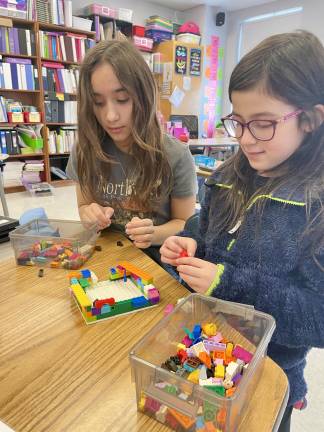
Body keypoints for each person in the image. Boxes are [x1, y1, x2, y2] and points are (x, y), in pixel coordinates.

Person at [160, 30, 324, 431]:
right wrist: (190, 243)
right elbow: (210, 233)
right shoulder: (226, 176)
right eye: (238, 122)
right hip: (202, 349)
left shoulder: (315, 207)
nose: (245, 140)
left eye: (264, 124)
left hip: (268, 376)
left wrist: (226, 282)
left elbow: (318, 319)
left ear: (310, 119)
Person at [66, 40, 197, 261]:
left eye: (122, 99)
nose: (110, 116)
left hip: (156, 260)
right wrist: (89, 215)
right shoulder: (84, 149)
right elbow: (84, 206)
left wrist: (154, 234)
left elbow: (185, 224)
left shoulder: (176, 155)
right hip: (104, 255)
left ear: (144, 95)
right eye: (98, 103)